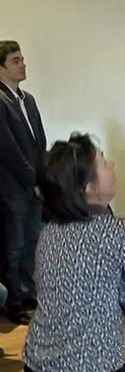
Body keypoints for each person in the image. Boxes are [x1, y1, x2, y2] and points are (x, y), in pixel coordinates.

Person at [23, 133, 125, 372]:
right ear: (88, 187)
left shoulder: (49, 231)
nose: (112, 165)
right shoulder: (122, 233)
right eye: (103, 162)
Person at [0, 40, 47, 325]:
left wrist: (44, 175)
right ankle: (15, 303)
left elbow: (39, 141)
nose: (23, 64)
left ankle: (30, 295)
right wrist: (33, 178)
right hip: (12, 187)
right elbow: (8, 150)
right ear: (1, 67)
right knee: (14, 245)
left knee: (33, 240)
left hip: (34, 184)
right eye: (16, 60)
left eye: (22, 59)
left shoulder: (27, 99)